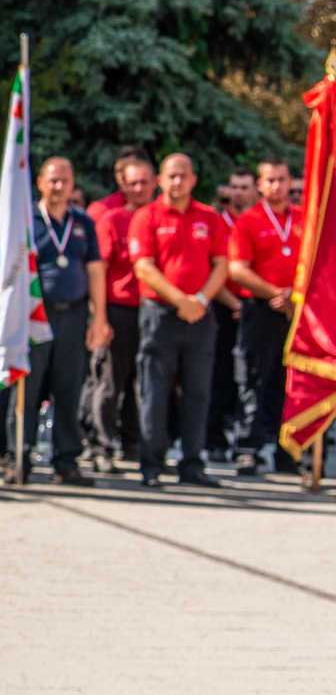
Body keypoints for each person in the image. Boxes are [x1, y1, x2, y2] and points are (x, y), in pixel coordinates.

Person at [4, 157, 110, 486]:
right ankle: (18, 457)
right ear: (40, 182)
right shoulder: (26, 219)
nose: (59, 186)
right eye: (53, 180)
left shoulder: (83, 221)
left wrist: (99, 318)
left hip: (74, 315)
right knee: (28, 387)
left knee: (69, 388)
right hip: (35, 313)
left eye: (65, 180)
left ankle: (66, 461)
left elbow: (95, 270)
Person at [129, 152, 230, 488]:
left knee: (198, 392)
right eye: (171, 175)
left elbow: (221, 264)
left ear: (193, 180)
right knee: (154, 390)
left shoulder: (209, 217)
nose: (177, 181)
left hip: (200, 315)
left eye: (183, 175)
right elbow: (144, 266)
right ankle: (152, 464)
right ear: (161, 179)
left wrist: (200, 300)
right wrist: (180, 300)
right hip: (160, 313)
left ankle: (192, 463)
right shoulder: (147, 217)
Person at [81, 149, 156, 471]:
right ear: (123, 186)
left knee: (147, 384)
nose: (138, 188)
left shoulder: (159, 218)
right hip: (118, 309)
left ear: (156, 182)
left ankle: (137, 444)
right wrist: (100, 317)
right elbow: (98, 271)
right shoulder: (111, 219)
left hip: (154, 311)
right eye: (132, 183)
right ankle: (101, 446)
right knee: (109, 383)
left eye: (144, 182)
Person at [229, 156, 299, 477]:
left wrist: (293, 295)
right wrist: (276, 294)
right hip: (260, 310)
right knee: (252, 380)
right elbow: (238, 269)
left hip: (298, 311)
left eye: (281, 179)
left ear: (290, 182)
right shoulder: (249, 221)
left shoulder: (305, 219)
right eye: (270, 180)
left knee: (293, 382)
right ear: (260, 184)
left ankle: (290, 452)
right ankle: (248, 448)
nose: (276, 186)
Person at [204, 169, 255, 462]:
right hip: (221, 305)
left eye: (243, 187)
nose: (236, 193)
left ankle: (248, 437)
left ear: (254, 191)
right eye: (232, 188)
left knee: (248, 376)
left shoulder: (255, 221)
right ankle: (214, 438)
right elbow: (213, 268)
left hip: (254, 306)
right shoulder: (217, 222)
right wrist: (233, 302)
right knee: (218, 374)